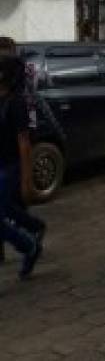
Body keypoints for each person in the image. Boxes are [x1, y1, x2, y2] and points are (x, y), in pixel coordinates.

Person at [0, 55, 46, 280]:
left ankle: (28, 245)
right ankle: (33, 229)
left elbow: (24, 142)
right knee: (6, 210)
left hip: (11, 166)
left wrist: (27, 178)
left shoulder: (16, 102)